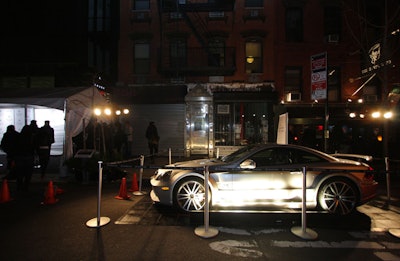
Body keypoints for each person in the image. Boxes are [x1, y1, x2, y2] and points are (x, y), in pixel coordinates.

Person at [15, 125, 36, 192]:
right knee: (28, 173)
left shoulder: (18, 136)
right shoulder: (31, 137)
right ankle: (26, 186)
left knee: (19, 172)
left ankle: (19, 186)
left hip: (19, 156)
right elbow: (34, 147)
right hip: (29, 156)